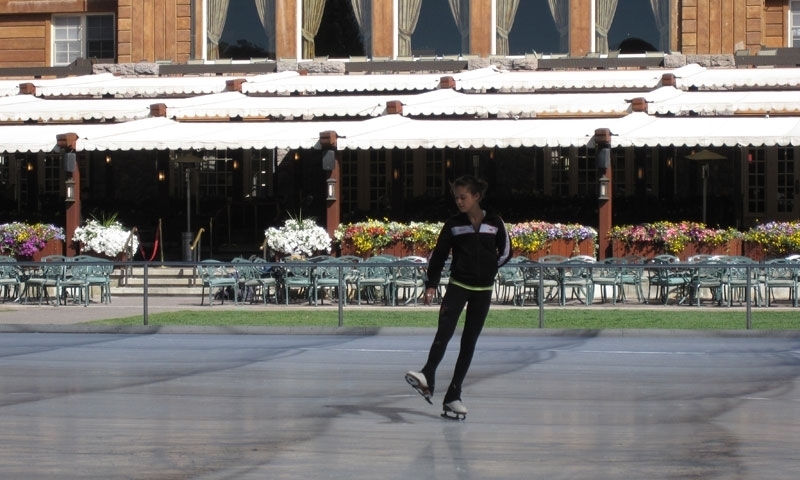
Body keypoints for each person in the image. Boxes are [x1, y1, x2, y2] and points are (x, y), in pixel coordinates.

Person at [405, 175, 511, 419]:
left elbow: (506, 251)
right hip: (458, 285)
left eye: (464, 197)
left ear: (476, 196)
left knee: (469, 342)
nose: (459, 202)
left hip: (483, 291)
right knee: (444, 332)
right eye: (456, 198)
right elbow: (439, 255)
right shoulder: (453, 224)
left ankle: (453, 395)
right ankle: (427, 374)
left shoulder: (495, 222)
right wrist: (431, 284)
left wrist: (489, 269)